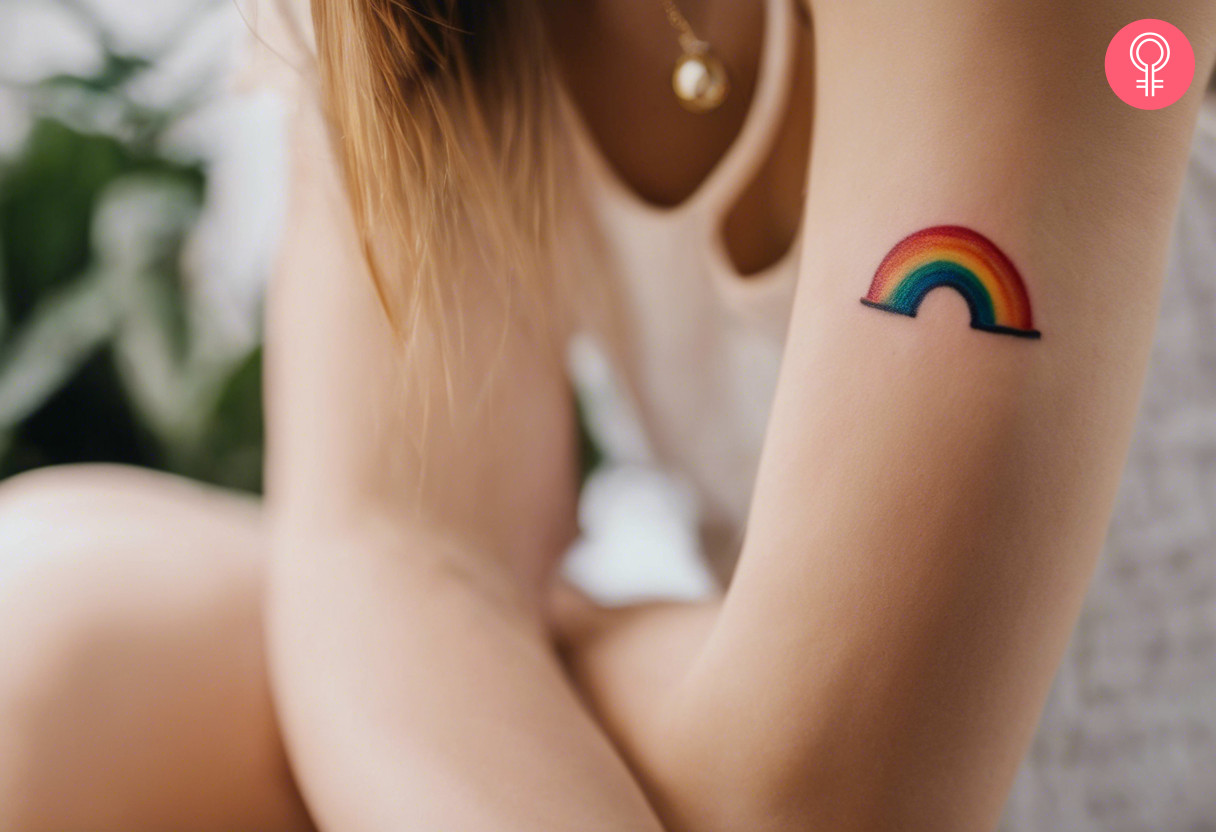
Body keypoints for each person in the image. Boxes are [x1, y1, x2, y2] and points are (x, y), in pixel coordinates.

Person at [1, 1, 1214, 829]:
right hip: (715, 735)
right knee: (44, 634)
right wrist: (458, 620)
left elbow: (832, 796)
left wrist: (506, 641)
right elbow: (393, 543)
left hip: (1112, 779)